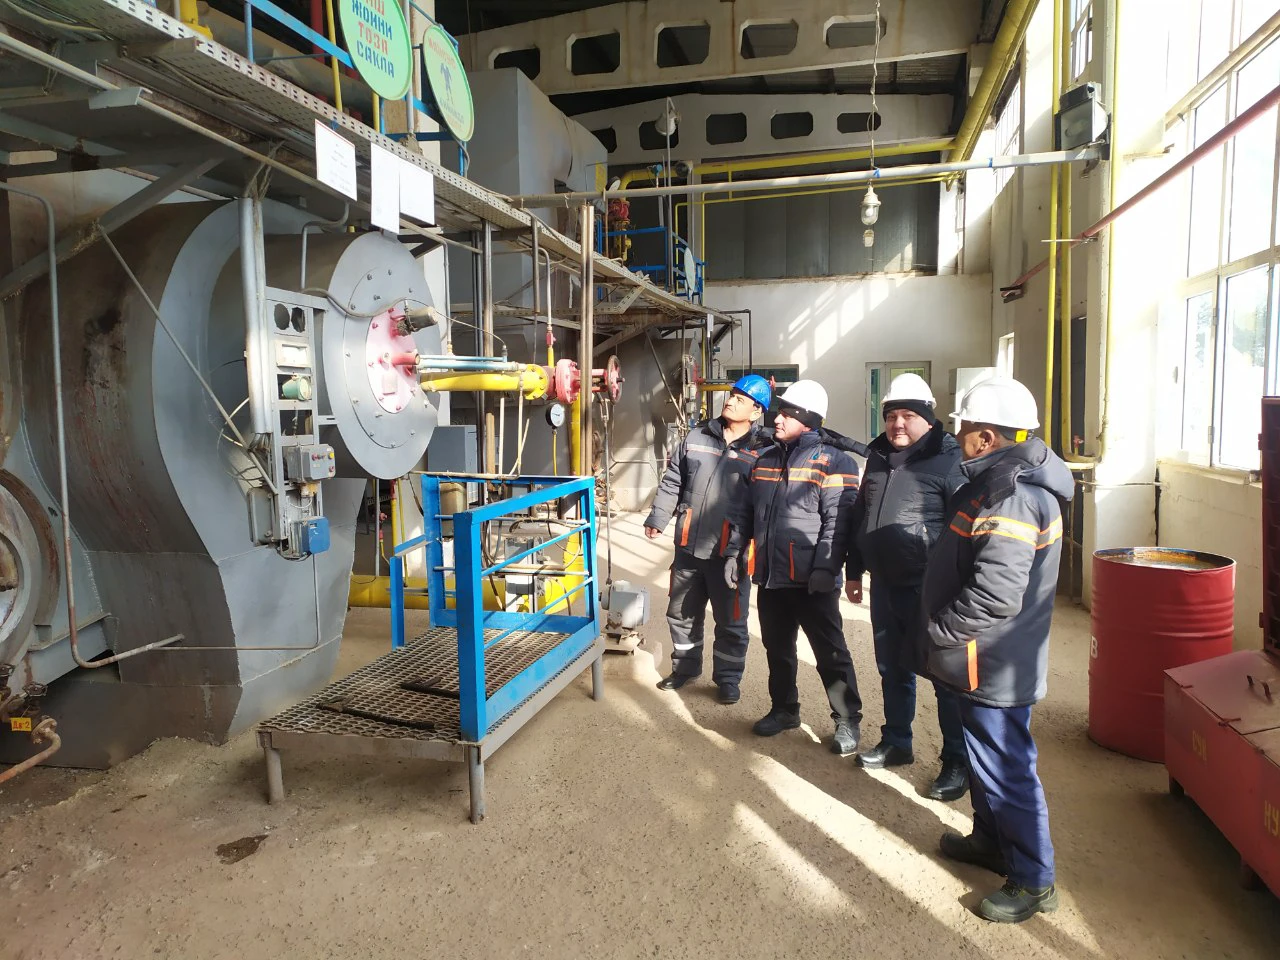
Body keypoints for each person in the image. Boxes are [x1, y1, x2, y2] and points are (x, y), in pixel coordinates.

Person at [920, 376, 1073, 924]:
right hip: (980, 659)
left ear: (986, 438)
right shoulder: (997, 480)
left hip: (993, 661)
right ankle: (990, 841)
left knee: (1007, 768)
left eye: (962, 427)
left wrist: (940, 632)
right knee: (983, 757)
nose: (955, 436)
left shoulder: (1013, 496)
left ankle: (1034, 881)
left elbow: (995, 594)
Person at [844, 373, 969, 801]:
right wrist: (854, 570)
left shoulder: (950, 461)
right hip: (885, 584)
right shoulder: (878, 456)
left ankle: (956, 760)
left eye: (908, 416)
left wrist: (958, 587)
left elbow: (965, 531)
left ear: (928, 419)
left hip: (933, 589)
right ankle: (897, 741)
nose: (897, 424)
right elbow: (861, 516)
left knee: (944, 677)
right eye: (891, 415)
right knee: (892, 668)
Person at [724, 379, 863, 754]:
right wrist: (736, 553)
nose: (777, 419)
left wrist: (826, 568)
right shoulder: (766, 458)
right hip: (771, 577)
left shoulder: (836, 462)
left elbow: (839, 522)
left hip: (812, 581)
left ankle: (847, 719)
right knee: (778, 649)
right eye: (778, 412)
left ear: (808, 419)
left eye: (787, 414)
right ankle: (785, 709)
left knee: (830, 654)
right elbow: (747, 514)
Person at [644, 375, 773, 704]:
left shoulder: (763, 450)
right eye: (732, 395)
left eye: (741, 399)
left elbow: (764, 506)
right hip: (689, 544)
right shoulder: (698, 435)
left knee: (731, 620)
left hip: (730, 553)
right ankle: (685, 667)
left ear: (756, 411)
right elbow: (673, 479)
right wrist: (659, 518)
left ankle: (728, 678)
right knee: (682, 613)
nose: (731, 401)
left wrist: (747, 548)